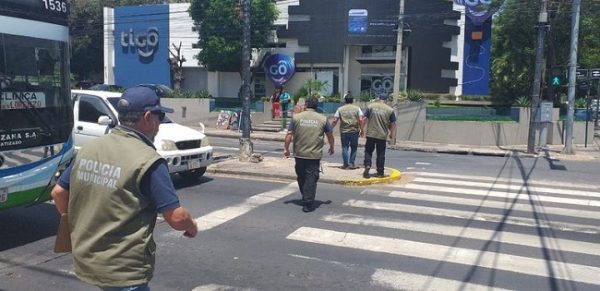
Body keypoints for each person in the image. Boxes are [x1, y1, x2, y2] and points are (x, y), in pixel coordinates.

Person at [50, 86, 198, 290]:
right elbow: (177, 218)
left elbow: (58, 192)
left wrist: (77, 223)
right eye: (159, 116)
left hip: (89, 259)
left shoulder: (89, 149)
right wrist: (191, 226)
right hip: (125, 270)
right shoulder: (148, 160)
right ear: (148, 117)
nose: (160, 124)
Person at [284, 96, 335, 212]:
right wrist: (331, 146)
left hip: (299, 154)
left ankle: (306, 196)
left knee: (301, 177)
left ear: (306, 105)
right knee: (311, 178)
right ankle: (308, 201)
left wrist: (286, 149)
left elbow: (289, 135)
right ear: (317, 106)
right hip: (314, 154)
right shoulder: (322, 119)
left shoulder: (296, 118)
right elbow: (330, 135)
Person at [361, 93, 397, 178]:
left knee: (368, 151)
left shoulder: (371, 106)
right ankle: (380, 172)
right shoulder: (390, 110)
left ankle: (368, 165)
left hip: (371, 134)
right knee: (380, 153)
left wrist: (361, 129)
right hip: (382, 135)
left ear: (379, 98)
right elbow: (393, 124)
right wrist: (392, 134)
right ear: (386, 100)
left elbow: (364, 119)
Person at [331, 92, 364, 169]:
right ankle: (352, 163)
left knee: (345, 147)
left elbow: (335, 120)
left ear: (345, 100)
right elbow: (361, 119)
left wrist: (330, 129)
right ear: (352, 100)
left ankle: (346, 164)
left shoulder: (340, 109)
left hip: (344, 131)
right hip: (354, 131)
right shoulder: (357, 108)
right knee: (354, 147)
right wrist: (361, 130)